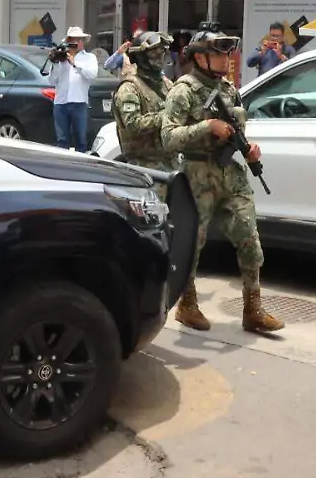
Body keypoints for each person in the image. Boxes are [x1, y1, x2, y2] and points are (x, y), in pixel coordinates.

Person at [160, 21, 285, 335]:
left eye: (230, 52)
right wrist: (207, 127)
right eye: (220, 52)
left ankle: (253, 309)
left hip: (231, 174)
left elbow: (238, 132)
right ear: (200, 57)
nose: (228, 58)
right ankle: (187, 305)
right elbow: (168, 138)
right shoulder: (183, 90)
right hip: (197, 175)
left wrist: (250, 150)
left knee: (250, 240)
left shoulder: (229, 89)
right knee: (193, 244)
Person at [113, 31, 177, 196]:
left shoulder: (166, 84)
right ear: (140, 56)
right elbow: (133, 124)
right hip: (145, 167)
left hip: (171, 162)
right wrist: (166, 116)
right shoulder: (129, 88)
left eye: (162, 52)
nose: (159, 57)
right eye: (154, 53)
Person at [48, 26, 99, 152]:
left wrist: (75, 64)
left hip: (79, 102)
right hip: (61, 103)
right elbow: (51, 81)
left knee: (81, 140)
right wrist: (56, 63)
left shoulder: (89, 58)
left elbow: (92, 75)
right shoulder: (61, 58)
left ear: (83, 42)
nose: (76, 42)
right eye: (73, 40)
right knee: (62, 140)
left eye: (79, 39)